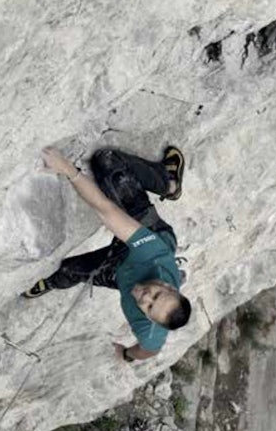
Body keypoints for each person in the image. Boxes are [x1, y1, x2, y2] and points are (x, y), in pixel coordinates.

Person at [22, 146, 191, 362]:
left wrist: (127, 355)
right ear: (168, 286)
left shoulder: (149, 331)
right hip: (150, 237)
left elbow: (149, 351)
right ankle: (168, 182)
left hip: (119, 271)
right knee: (108, 163)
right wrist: (67, 169)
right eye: (157, 295)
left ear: (149, 318)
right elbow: (105, 210)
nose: (145, 296)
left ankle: (50, 283)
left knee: (69, 270)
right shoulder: (154, 255)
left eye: (149, 306)